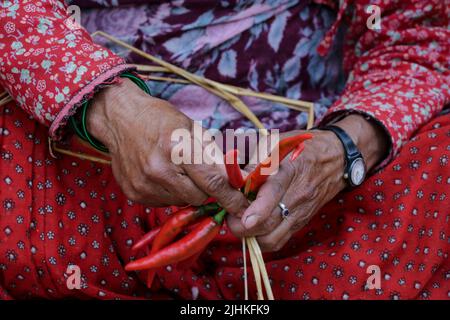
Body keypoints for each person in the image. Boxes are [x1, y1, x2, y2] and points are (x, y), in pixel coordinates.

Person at [0, 0, 448, 299]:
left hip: (316, 193)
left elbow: (420, 39)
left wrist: (347, 148)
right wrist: (112, 110)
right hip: (85, 161)